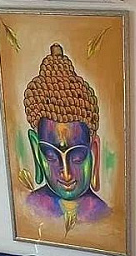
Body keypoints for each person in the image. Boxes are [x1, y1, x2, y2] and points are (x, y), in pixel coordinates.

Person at [23, 43, 110, 234]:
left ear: (94, 150)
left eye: (77, 157)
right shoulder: (28, 209)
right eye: (51, 156)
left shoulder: (106, 218)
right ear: (36, 149)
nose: (67, 174)